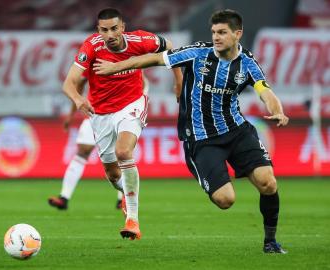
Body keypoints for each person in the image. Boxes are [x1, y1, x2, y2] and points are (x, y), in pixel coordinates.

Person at [94, 9, 289, 253]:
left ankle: (270, 242)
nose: (216, 37)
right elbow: (153, 59)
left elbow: (266, 92)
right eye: (214, 32)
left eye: (222, 33)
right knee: (225, 200)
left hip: (237, 131)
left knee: (268, 182)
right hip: (201, 139)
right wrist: (116, 67)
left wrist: (278, 111)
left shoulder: (247, 63)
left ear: (237, 34)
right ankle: (209, 173)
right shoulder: (197, 53)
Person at [62, 8, 183, 240]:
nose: (110, 34)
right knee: (111, 171)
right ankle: (128, 198)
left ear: (122, 27)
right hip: (101, 113)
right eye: (104, 30)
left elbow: (170, 46)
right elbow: (69, 83)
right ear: (99, 30)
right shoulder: (91, 46)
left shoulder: (141, 40)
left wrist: (179, 80)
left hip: (132, 103)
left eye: (114, 28)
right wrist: (78, 100)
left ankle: (133, 220)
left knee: (123, 151)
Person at [48, 75, 150, 211]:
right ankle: (64, 197)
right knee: (83, 151)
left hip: (122, 116)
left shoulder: (128, 60)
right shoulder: (92, 57)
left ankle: (123, 199)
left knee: (121, 155)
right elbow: (78, 84)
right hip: (96, 113)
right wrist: (71, 114)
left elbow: (142, 84)